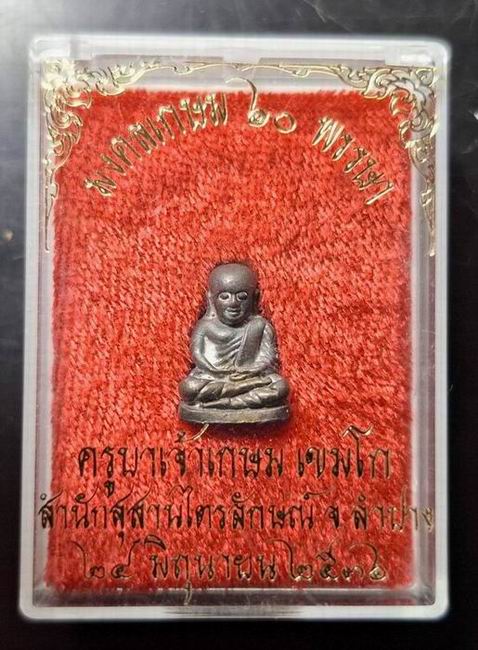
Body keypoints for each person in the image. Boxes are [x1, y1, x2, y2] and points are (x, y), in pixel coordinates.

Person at [179, 263, 289, 422]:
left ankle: (226, 403)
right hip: (212, 376)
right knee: (189, 388)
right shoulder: (206, 326)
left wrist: (251, 371)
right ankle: (240, 394)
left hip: (251, 376)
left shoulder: (260, 325)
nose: (233, 303)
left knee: (281, 387)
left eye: (242, 297)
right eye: (224, 297)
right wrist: (213, 370)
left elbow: (268, 356)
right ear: (211, 299)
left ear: (254, 298)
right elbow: (197, 353)